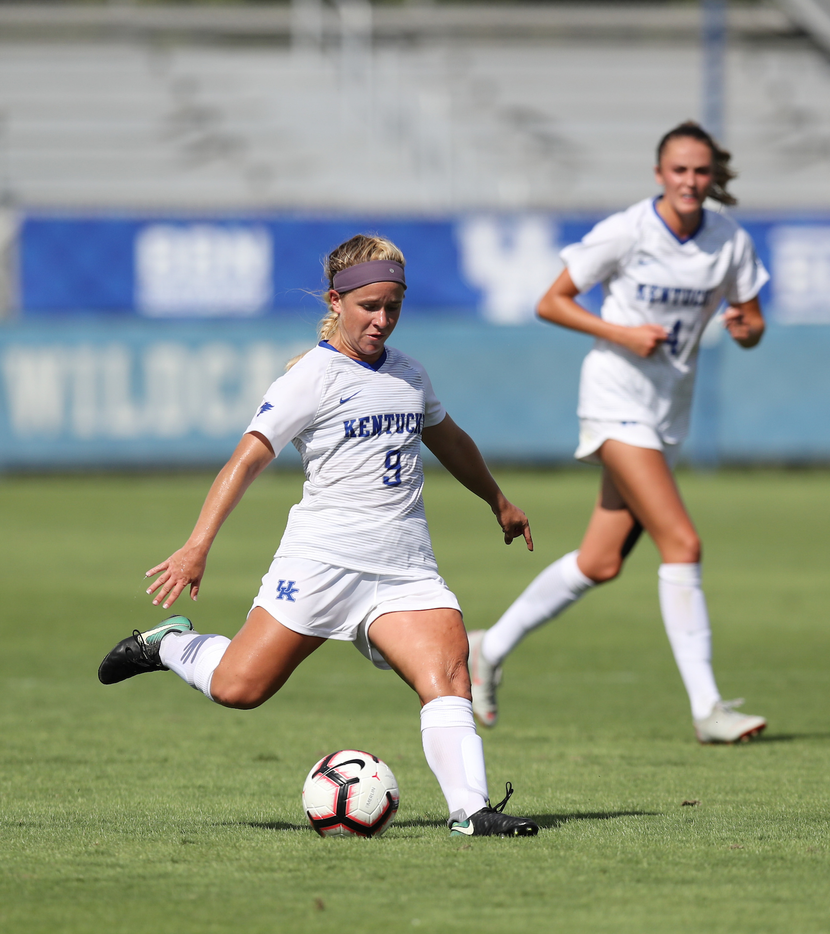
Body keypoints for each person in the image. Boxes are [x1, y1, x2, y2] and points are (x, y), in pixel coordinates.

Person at [97, 235, 540, 837]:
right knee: (239, 688)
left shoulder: (409, 374)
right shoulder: (313, 377)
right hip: (321, 563)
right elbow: (246, 460)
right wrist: (198, 545)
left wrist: (499, 501)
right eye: (370, 307)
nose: (383, 320)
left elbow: (450, 440)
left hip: (404, 567)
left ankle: (472, 811)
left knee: (449, 673)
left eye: (394, 306)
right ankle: (169, 645)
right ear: (336, 301)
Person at [465, 121, 770, 744]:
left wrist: (746, 329)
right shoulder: (628, 230)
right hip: (614, 401)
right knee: (681, 543)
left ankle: (488, 649)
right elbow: (551, 301)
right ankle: (708, 709)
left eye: (701, 171)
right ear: (659, 174)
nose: (690, 181)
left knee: (600, 562)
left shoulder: (728, 241)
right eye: (679, 170)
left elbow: (753, 318)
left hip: (666, 415)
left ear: (714, 178)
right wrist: (623, 333)